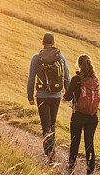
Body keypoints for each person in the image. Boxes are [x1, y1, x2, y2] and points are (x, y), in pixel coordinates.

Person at [26, 32, 69, 163]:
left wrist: (30, 96)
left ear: (42, 43)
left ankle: (50, 153)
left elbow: (31, 78)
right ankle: (50, 151)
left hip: (42, 96)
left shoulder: (36, 58)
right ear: (54, 43)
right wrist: (67, 95)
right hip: (56, 95)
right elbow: (67, 77)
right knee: (52, 124)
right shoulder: (61, 57)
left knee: (46, 125)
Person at [63, 54, 100, 175]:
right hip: (92, 117)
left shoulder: (76, 79)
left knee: (75, 140)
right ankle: (89, 174)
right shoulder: (95, 80)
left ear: (79, 65)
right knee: (89, 143)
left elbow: (67, 96)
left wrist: (65, 98)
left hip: (78, 115)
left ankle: (72, 166)